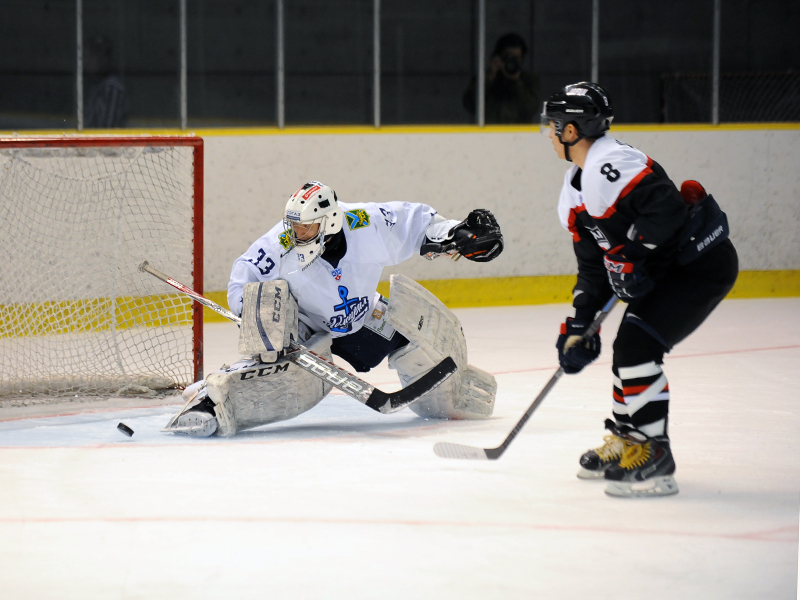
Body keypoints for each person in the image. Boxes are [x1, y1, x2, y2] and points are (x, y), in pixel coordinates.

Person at [165, 182, 504, 437]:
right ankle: (214, 398)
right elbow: (243, 278)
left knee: (424, 344)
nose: (296, 234)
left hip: (360, 316)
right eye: (293, 226)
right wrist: (262, 321)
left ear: (329, 222)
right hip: (308, 329)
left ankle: (451, 395)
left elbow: (416, 223)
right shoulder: (280, 245)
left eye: (306, 228)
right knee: (288, 382)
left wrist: (455, 233)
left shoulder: (364, 221)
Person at [542, 82, 738, 497]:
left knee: (636, 348)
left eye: (554, 125)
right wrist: (579, 322)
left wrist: (631, 256)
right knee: (628, 349)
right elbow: (593, 266)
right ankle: (629, 440)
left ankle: (655, 458)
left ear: (572, 131)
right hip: (670, 269)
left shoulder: (609, 162)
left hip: (699, 265)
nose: (549, 133)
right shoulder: (574, 186)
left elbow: (666, 209)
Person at [463, 33, 540, 124]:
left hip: (520, 133)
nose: (512, 61)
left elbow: (532, 109)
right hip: (490, 132)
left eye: (516, 58)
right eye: (509, 57)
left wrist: (516, 81)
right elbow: (470, 104)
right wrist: (490, 77)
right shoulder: (486, 77)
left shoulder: (528, 79)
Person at [84, 35, 129, 129]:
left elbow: (108, 133)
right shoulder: (93, 85)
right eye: (90, 55)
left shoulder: (112, 89)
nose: (89, 60)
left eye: (96, 56)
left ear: (107, 59)